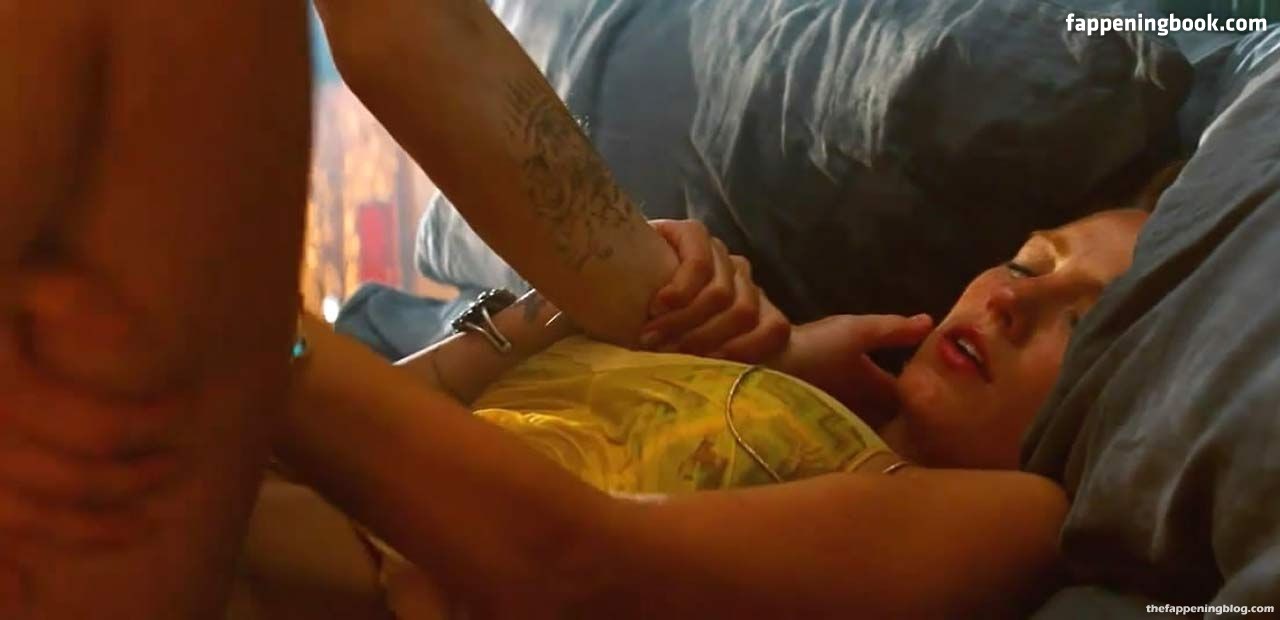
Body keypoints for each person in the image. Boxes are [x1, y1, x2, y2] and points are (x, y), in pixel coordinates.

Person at [238, 198, 1151, 619]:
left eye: (1082, 319)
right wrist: (584, 300)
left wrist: (242, 339)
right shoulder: (764, 368)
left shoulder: (1019, 519)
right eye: (1028, 261)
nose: (1010, 299)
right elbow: (396, 410)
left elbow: (564, 564)